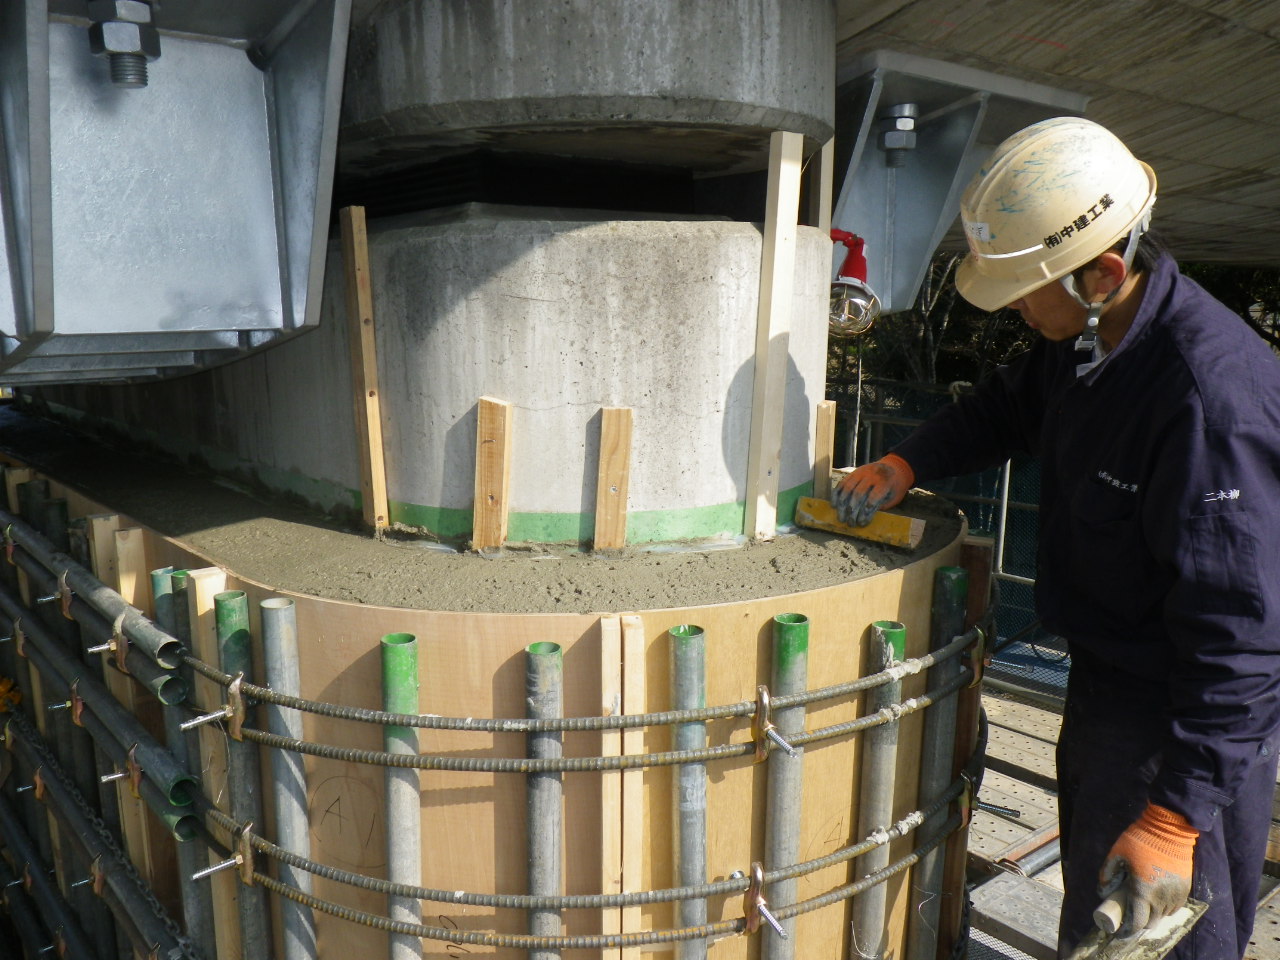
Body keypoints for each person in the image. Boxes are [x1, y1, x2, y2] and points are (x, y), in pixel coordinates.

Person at [833, 117, 1280, 960]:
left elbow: (1244, 641)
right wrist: (904, 460)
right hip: (1114, 688)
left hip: (1181, 723)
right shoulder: (1089, 335)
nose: (1012, 310)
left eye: (1022, 290)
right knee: (1094, 922)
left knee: (1169, 937)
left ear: (1103, 272)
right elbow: (1006, 408)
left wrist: (1174, 816)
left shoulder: (1207, 405)